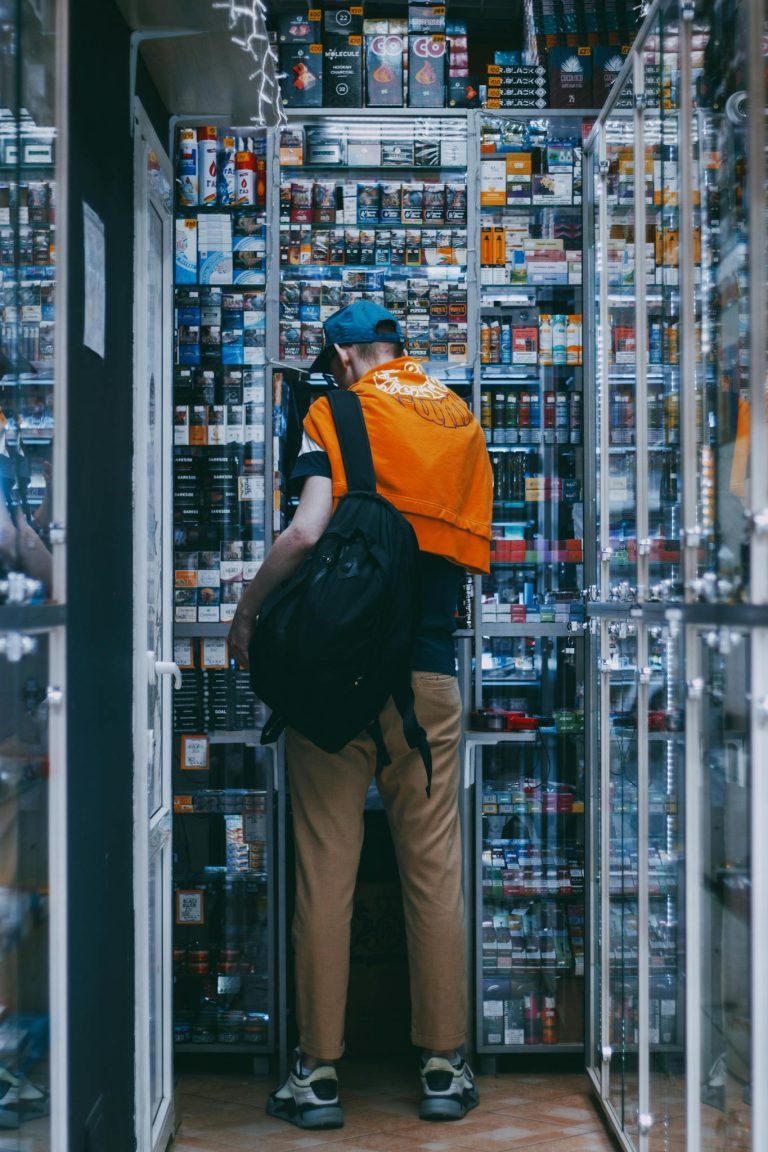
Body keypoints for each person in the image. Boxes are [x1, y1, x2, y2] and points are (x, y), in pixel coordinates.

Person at [228, 300, 492, 1130]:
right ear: (398, 351)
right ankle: (445, 1067)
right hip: (426, 677)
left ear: (342, 356)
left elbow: (307, 532)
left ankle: (318, 1075)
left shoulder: (331, 411)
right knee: (434, 865)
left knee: (326, 867)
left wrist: (248, 613)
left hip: (336, 685)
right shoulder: (457, 415)